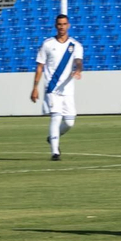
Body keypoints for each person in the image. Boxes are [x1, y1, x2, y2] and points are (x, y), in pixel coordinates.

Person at [30, 13, 84, 160]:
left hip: (68, 89)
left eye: (64, 24)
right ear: (56, 26)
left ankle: (53, 137)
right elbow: (40, 67)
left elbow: (79, 61)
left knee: (69, 122)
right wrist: (35, 87)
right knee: (56, 117)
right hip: (52, 88)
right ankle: (55, 152)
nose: (62, 27)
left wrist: (78, 70)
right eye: (59, 24)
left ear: (68, 25)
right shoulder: (47, 44)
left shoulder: (75, 45)